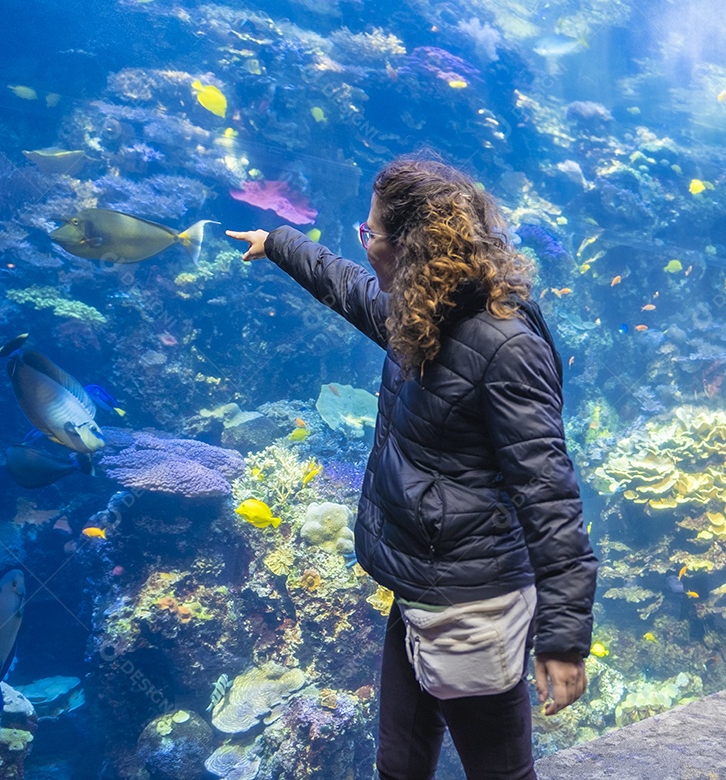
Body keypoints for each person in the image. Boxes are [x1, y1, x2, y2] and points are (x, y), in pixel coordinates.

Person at [227, 154, 597, 780]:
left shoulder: (504, 346)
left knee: (501, 774)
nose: (361, 242)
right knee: (398, 765)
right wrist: (278, 243)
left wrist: (562, 639)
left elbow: (550, 498)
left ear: (411, 250)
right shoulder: (424, 312)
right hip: (419, 583)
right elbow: (347, 287)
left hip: (469, 605)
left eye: (369, 233)